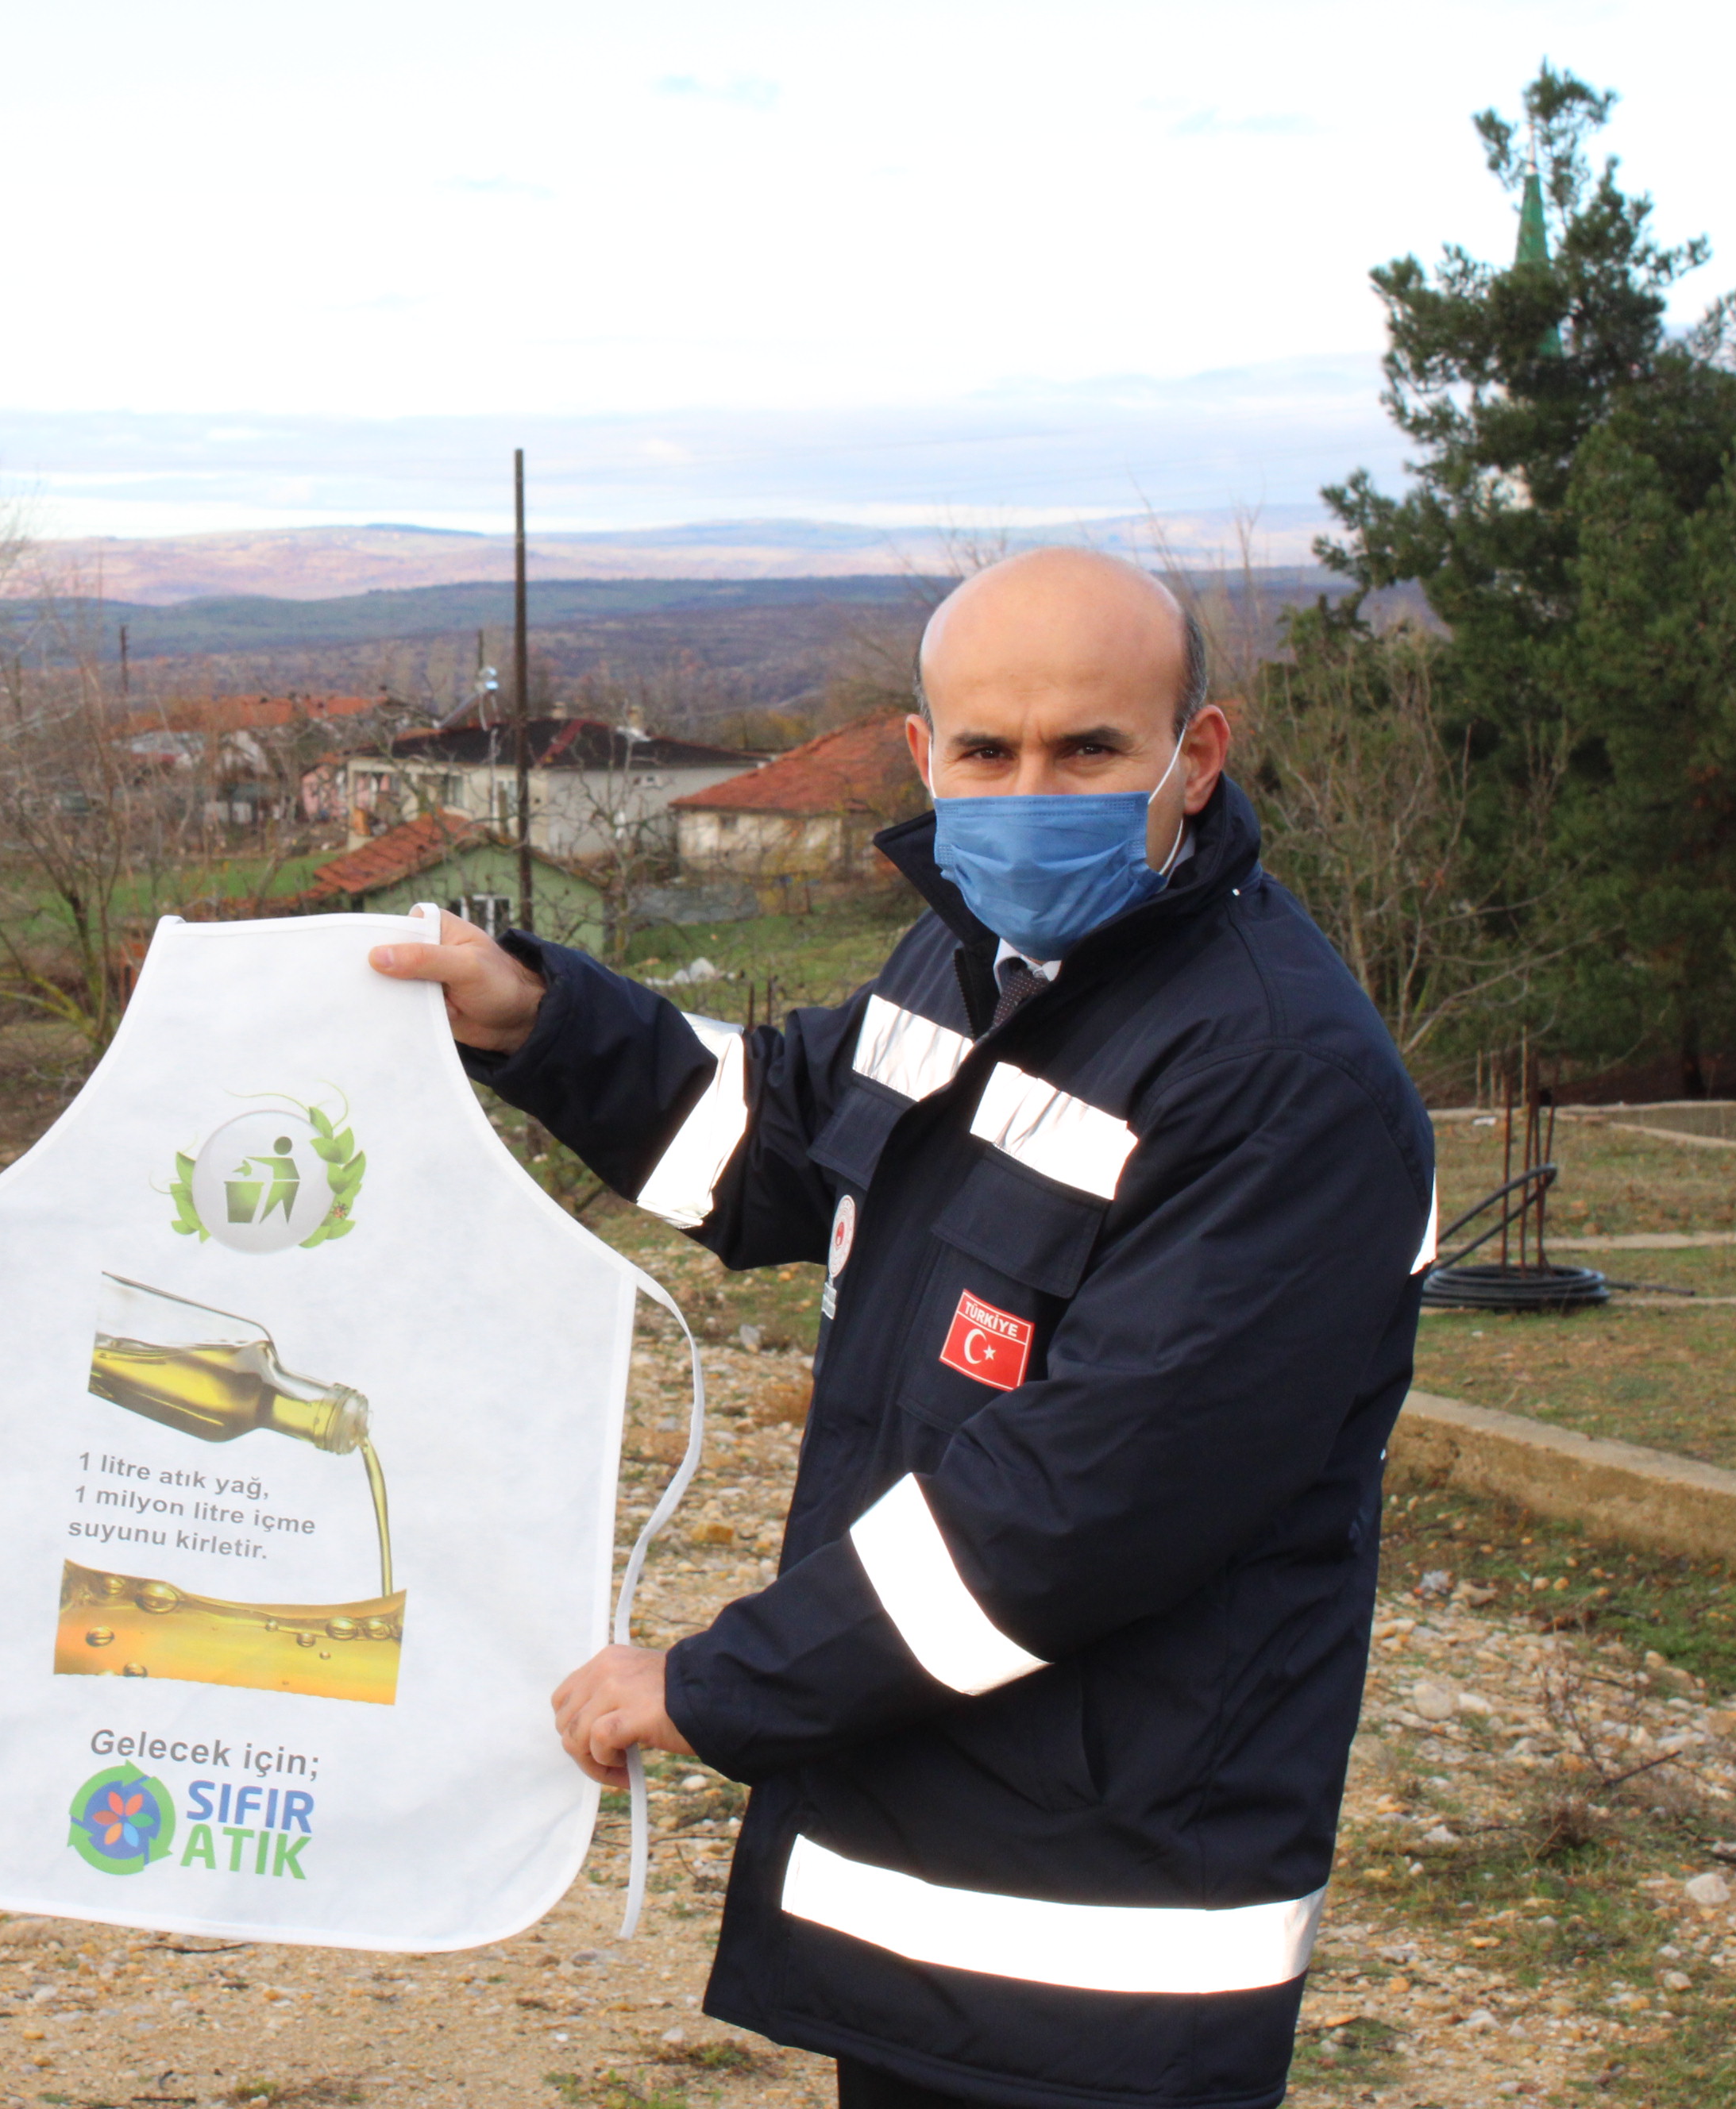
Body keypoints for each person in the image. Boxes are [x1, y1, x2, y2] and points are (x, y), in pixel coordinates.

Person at [375, 548, 1435, 2109]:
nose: (1031, 792)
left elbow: (1082, 1504)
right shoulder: (970, 962)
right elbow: (776, 1135)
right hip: (932, 1861)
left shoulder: (1280, 1079)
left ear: (1194, 758)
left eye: (1090, 749)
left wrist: (720, 1678)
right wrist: (535, 1016)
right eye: (989, 751)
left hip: (1100, 1933)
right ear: (923, 755)